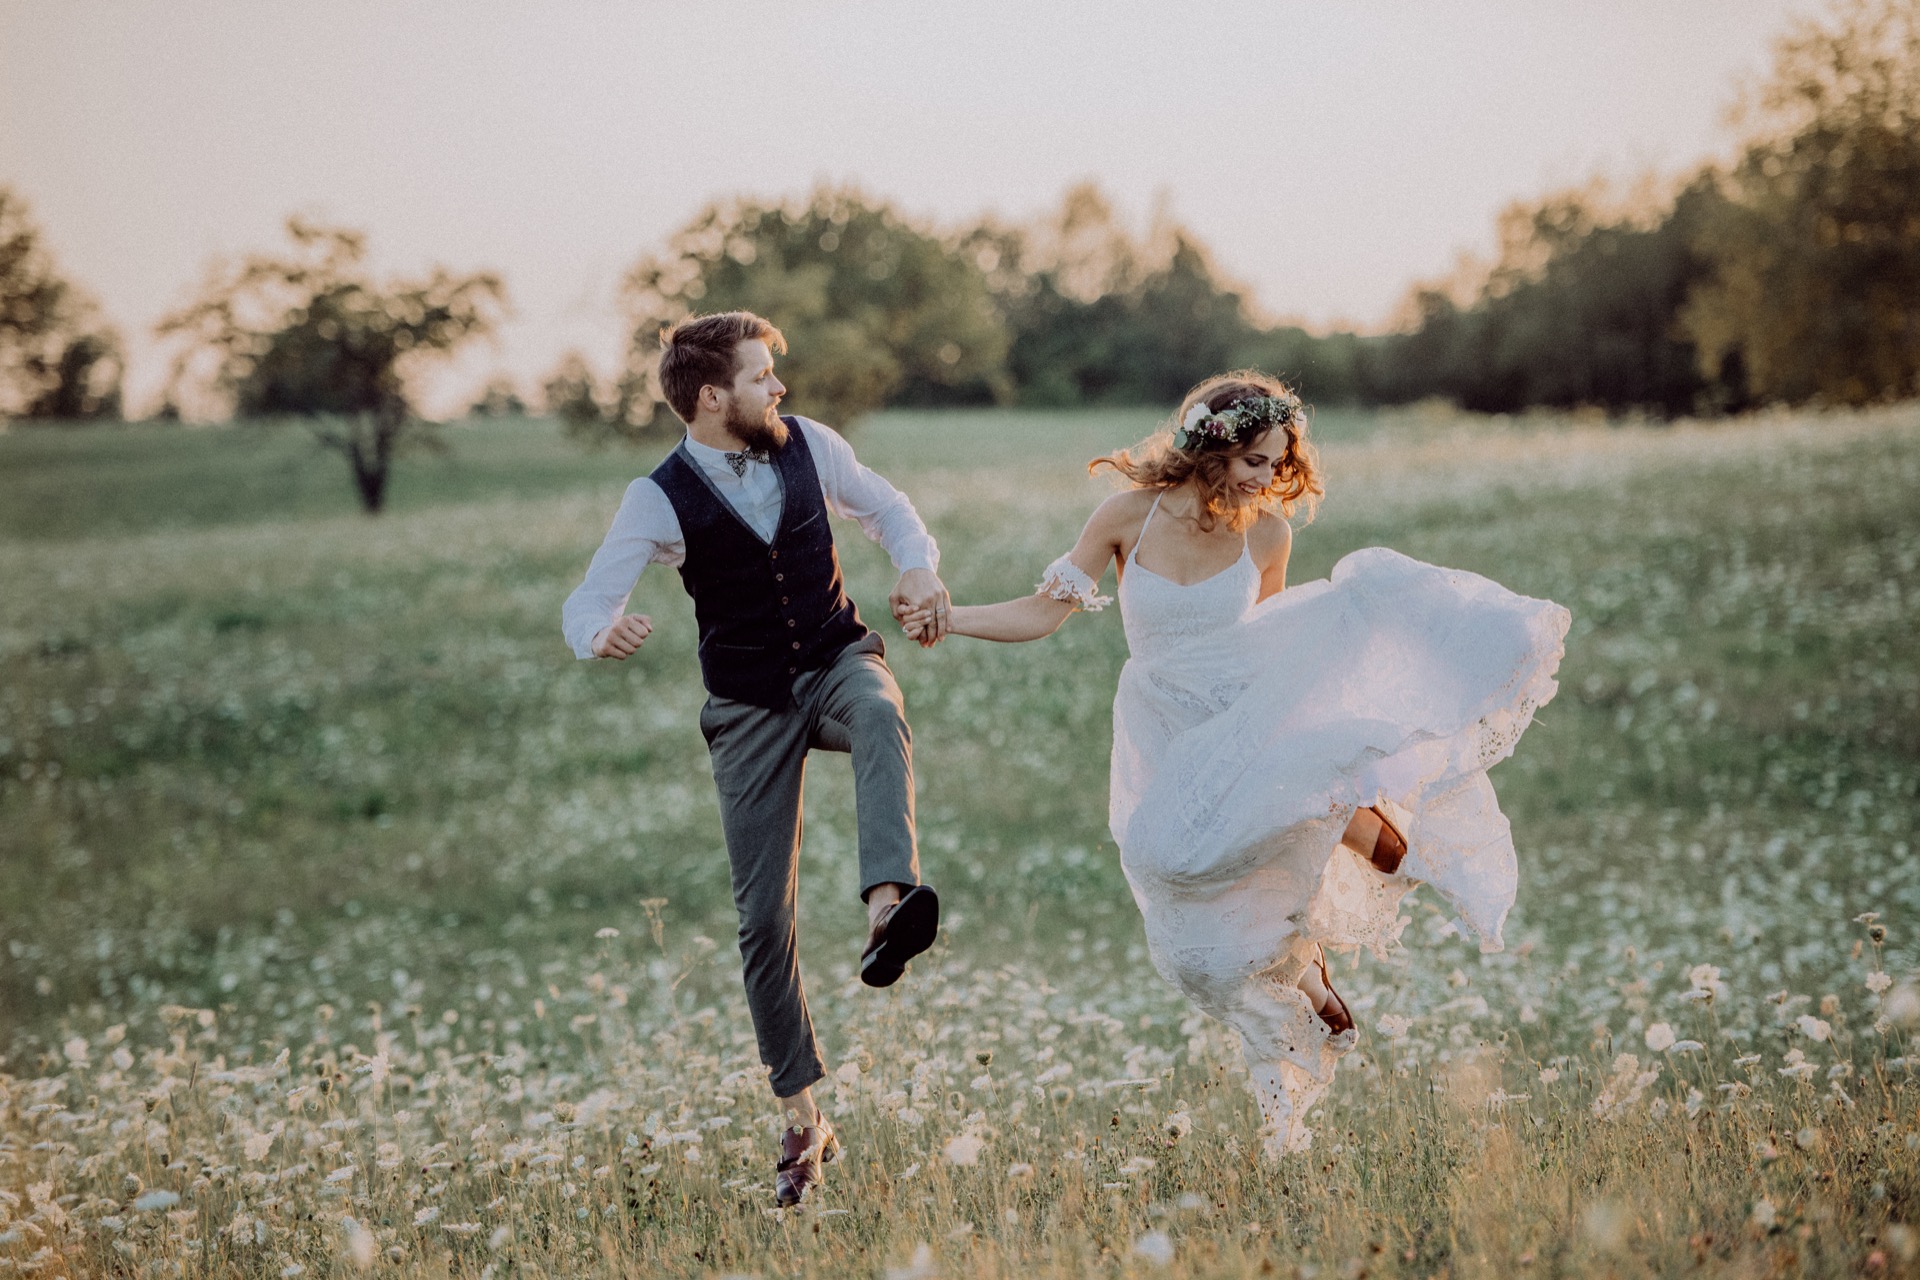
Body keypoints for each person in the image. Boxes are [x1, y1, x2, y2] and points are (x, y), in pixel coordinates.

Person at [901, 372, 1569, 1156]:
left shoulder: (1267, 532)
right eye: (1255, 459)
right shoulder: (1126, 517)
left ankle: (1368, 858)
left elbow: (1273, 636)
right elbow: (1045, 610)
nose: (1267, 477)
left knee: (1323, 856)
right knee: (1174, 870)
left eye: (1277, 462)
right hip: (1164, 728)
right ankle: (1309, 967)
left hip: (1246, 723)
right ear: (1212, 446)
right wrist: (955, 620)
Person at [562, 311, 952, 1206]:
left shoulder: (811, 444)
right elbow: (589, 597)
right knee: (761, 924)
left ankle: (888, 908)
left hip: (835, 660)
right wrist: (598, 632)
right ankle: (805, 1119)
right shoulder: (656, 497)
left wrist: (919, 565)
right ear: (711, 397)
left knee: (882, 713)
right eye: (760, 375)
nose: (779, 388)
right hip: (746, 708)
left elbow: (886, 507)